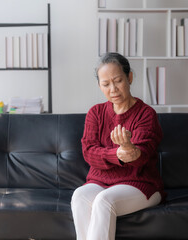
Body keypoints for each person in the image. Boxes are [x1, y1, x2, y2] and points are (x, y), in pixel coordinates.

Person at [71, 52, 165, 240]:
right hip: (100, 182)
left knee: (104, 201)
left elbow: (142, 155)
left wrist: (130, 150)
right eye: (106, 84)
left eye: (118, 81)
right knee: (80, 196)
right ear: (100, 85)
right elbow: (89, 152)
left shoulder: (146, 114)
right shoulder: (95, 113)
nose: (113, 89)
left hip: (141, 184)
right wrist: (118, 153)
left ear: (129, 77)